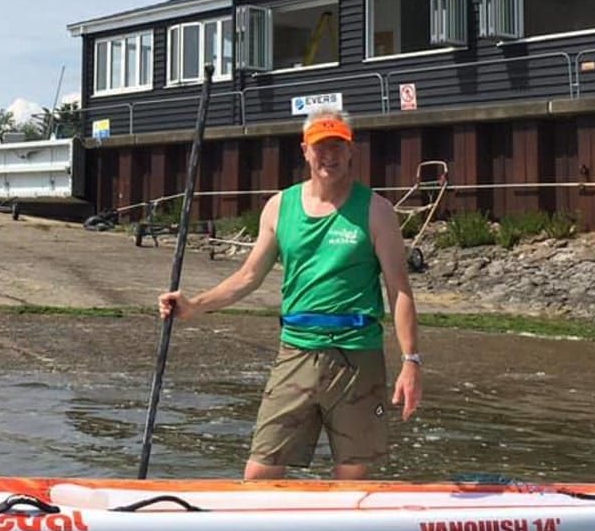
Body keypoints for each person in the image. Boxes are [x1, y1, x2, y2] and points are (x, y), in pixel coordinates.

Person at [158, 107, 421, 481]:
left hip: (358, 358)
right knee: (260, 471)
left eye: (336, 145)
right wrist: (193, 306)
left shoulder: (377, 211)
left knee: (353, 477)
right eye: (320, 146)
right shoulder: (279, 207)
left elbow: (399, 291)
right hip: (296, 351)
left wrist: (412, 361)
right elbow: (248, 276)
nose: (328, 154)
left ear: (351, 150)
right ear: (305, 150)